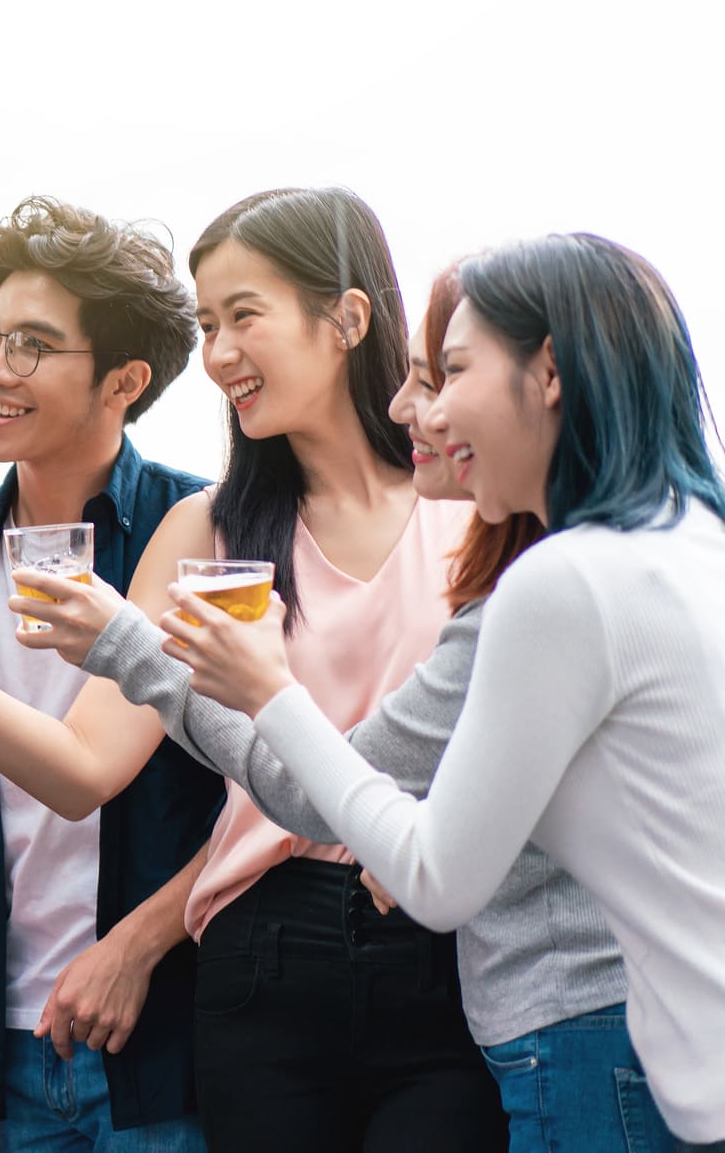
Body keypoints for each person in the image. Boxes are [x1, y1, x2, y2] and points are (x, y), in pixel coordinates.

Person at [0, 188, 505, 1149]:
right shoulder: (207, 530)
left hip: (432, 948)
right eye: (208, 324)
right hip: (252, 966)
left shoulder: (474, 517)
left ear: (349, 319)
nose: (220, 354)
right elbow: (71, 769)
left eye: (243, 316)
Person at [168, 234, 725, 1151]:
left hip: (622, 1088)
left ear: (548, 373)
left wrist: (271, 691)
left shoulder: (564, 583)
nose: (412, 407)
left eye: (452, 369)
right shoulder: (688, 536)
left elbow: (434, 879)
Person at [0, 196, 219, 1151]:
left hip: (167, 1033)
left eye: (30, 345)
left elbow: (266, 798)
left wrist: (139, 944)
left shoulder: (199, 532)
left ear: (124, 380)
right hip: (12, 1033)